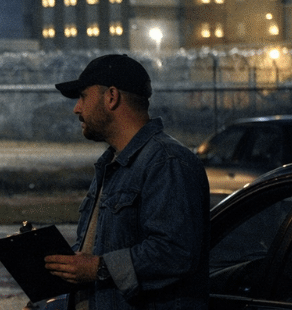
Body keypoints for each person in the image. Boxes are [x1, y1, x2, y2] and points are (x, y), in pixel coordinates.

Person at [42, 54, 209, 309]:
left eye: (83, 96)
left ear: (111, 96)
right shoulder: (111, 165)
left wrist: (98, 268)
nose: (77, 108)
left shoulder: (166, 162)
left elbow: (175, 253)